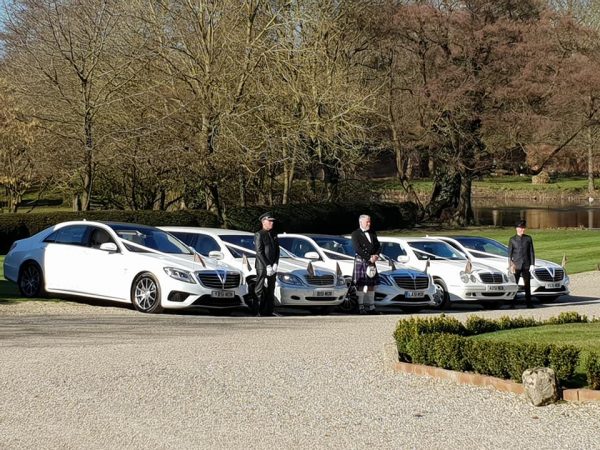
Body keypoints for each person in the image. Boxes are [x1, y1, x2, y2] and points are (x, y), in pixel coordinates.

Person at [351, 214, 381, 314]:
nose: (369, 223)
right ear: (361, 222)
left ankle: (372, 308)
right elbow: (357, 249)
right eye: (367, 222)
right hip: (362, 260)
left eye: (369, 221)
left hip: (372, 261)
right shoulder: (355, 234)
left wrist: (376, 255)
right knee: (360, 284)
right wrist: (369, 258)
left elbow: (378, 245)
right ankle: (360, 307)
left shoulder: (372, 232)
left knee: (371, 284)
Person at [254, 212, 280, 316]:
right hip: (262, 266)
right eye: (269, 221)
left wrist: (275, 263)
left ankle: (270, 310)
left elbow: (277, 250)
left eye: (272, 221)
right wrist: (267, 265)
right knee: (259, 289)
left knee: (271, 288)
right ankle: (257, 311)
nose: (272, 223)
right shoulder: (259, 234)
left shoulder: (274, 234)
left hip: (272, 265)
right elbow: (259, 252)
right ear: (263, 222)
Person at [508, 219, 535, 308]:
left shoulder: (528, 238)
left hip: (526, 265)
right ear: (517, 229)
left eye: (523, 228)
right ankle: (512, 304)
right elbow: (509, 254)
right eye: (521, 228)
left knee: (527, 285)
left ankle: (529, 303)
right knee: (514, 285)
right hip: (516, 266)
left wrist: (532, 264)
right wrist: (510, 265)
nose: (523, 229)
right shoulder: (512, 240)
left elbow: (531, 252)